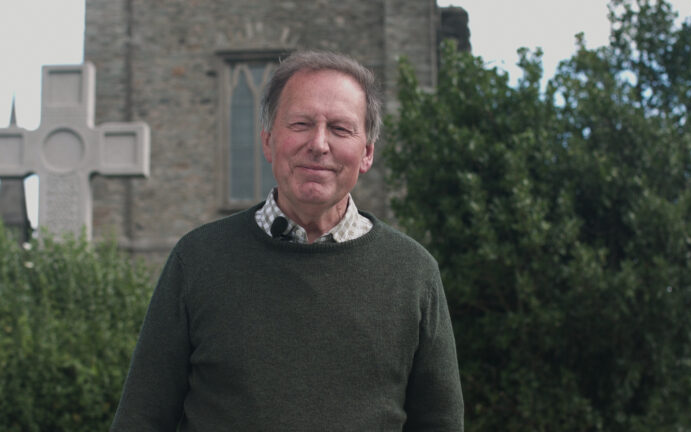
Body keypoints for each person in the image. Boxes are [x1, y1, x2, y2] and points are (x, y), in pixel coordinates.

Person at [110, 50, 463, 431]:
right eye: (301, 124)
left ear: (367, 153)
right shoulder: (197, 260)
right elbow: (142, 418)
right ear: (267, 141)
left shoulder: (412, 273)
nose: (319, 144)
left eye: (341, 129)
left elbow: (439, 423)